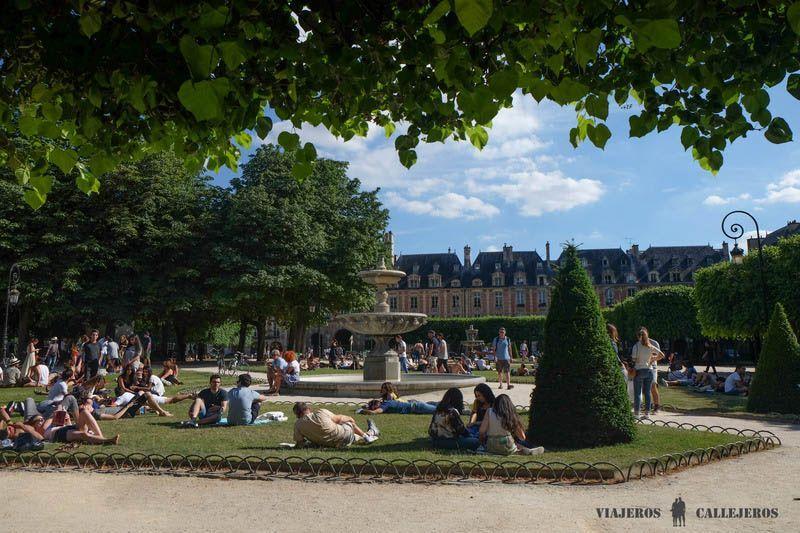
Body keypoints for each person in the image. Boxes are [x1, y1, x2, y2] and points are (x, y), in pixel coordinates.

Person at [479, 394, 544, 455]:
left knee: (512, 443)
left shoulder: (489, 411)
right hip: (507, 443)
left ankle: (522, 450)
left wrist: (482, 440)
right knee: (514, 443)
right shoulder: (510, 414)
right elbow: (522, 437)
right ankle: (524, 450)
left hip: (492, 445)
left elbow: (481, 431)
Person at [293, 402, 379, 447]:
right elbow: (340, 419)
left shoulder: (298, 425)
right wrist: (351, 420)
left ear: (297, 414)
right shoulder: (320, 412)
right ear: (308, 408)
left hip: (328, 444)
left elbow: (299, 443)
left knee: (352, 435)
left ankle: (371, 432)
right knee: (348, 423)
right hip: (343, 437)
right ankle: (367, 436)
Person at [631, 327, 664, 419]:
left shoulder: (636, 346)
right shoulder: (650, 346)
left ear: (638, 336)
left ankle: (637, 413)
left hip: (639, 370)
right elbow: (662, 355)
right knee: (647, 393)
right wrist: (652, 359)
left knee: (638, 393)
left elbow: (634, 359)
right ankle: (647, 413)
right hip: (649, 370)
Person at [358, 398, 438, 415]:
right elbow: (366, 406)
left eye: (374, 406)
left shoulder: (385, 405)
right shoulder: (386, 401)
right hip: (417, 404)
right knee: (440, 405)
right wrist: (365, 407)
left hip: (417, 407)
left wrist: (361, 411)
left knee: (440, 410)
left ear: (377, 404)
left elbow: (374, 412)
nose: (375, 408)